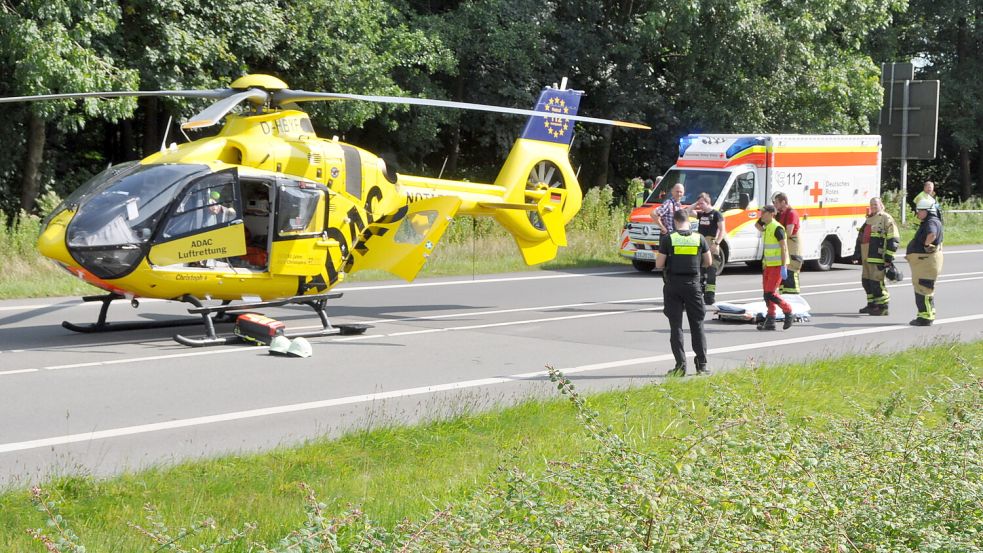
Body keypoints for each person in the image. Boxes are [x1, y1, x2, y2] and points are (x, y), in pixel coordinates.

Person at [657, 209, 712, 376]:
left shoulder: (669, 239)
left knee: (676, 327)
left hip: (673, 285)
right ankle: (701, 366)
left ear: (675, 221)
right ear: (688, 221)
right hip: (693, 285)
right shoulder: (699, 238)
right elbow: (708, 261)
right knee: (697, 325)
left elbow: (659, 264)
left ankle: (680, 367)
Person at [754, 205, 794, 331]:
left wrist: (783, 266)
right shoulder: (767, 227)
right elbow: (757, 225)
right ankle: (770, 320)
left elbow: (784, 248)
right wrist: (762, 218)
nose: (761, 215)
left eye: (763, 213)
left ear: (771, 214)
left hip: (777, 266)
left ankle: (788, 310)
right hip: (768, 265)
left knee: (770, 293)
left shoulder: (777, 228)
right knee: (767, 295)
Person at [858, 197, 900, 316]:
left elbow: (894, 238)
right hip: (866, 256)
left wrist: (888, 257)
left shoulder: (885, 218)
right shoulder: (869, 219)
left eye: (875, 204)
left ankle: (883, 307)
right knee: (866, 282)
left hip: (877, 256)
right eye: (871, 204)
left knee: (876, 282)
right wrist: (857, 254)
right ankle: (872, 304)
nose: (873, 206)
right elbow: (861, 237)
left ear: (881, 205)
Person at [906, 197, 944, 326]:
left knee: (923, 287)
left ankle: (925, 317)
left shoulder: (931, 222)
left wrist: (927, 245)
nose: (918, 213)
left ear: (928, 211)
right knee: (924, 287)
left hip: (925, 262)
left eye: (920, 211)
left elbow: (932, 235)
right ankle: (925, 314)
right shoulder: (931, 221)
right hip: (925, 262)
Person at [694, 192, 725, 304]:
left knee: (711, 272)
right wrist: (696, 203)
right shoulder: (701, 214)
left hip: (712, 244)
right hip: (701, 245)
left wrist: (716, 243)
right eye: (699, 204)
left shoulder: (716, 214)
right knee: (700, 272)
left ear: (708, 202)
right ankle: (699, 294)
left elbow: (722, 230)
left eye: (701, 203)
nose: (700, 206)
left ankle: (709, 297)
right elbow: (686, 212)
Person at [773, 192, 801, 294]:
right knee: (784, 281)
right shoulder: (782, 214)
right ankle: (785, 298)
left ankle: (794, 299)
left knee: (791, 275)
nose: (774, 205)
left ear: (783, 202)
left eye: (776, 203)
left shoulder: (791, 213)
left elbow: (788, 232)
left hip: (792, 250)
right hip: (787, 249)